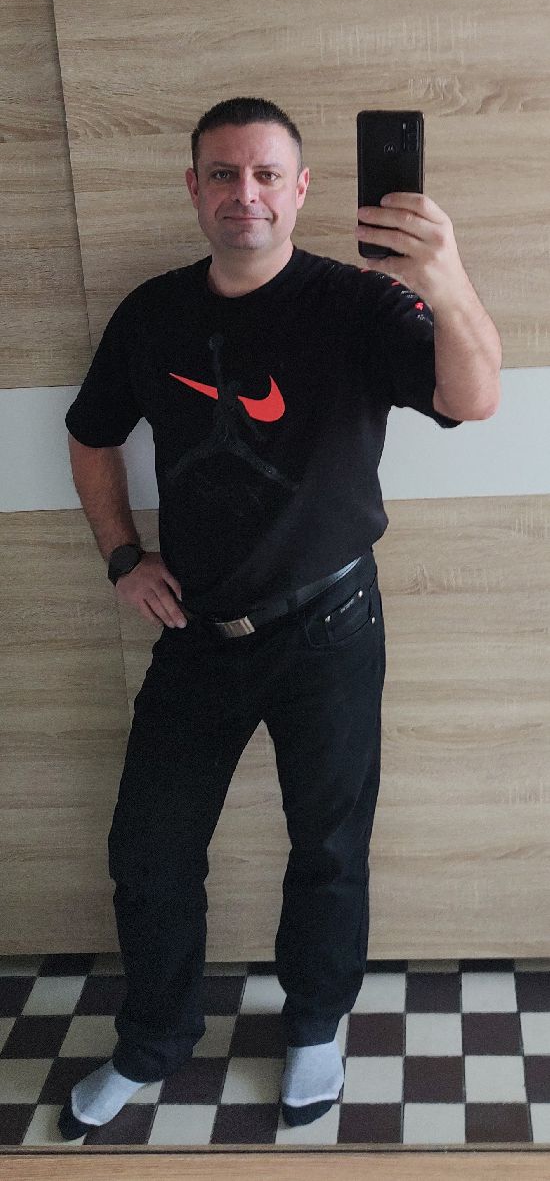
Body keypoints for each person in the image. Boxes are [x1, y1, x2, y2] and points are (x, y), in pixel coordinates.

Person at [58, 96, 501, 1139]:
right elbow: (90, 435)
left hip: (332, 626)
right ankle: (153, 1040)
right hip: (198, 633)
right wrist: (123, 557)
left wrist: (442, 277)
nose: (243, 194)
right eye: (222, 173)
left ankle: (314, 1023)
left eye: (265, 174)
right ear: (194, 188)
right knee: (149, 851)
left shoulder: (360, 303)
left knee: (329, 849)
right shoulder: (151, 314)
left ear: (300, 189)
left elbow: (472, 399)